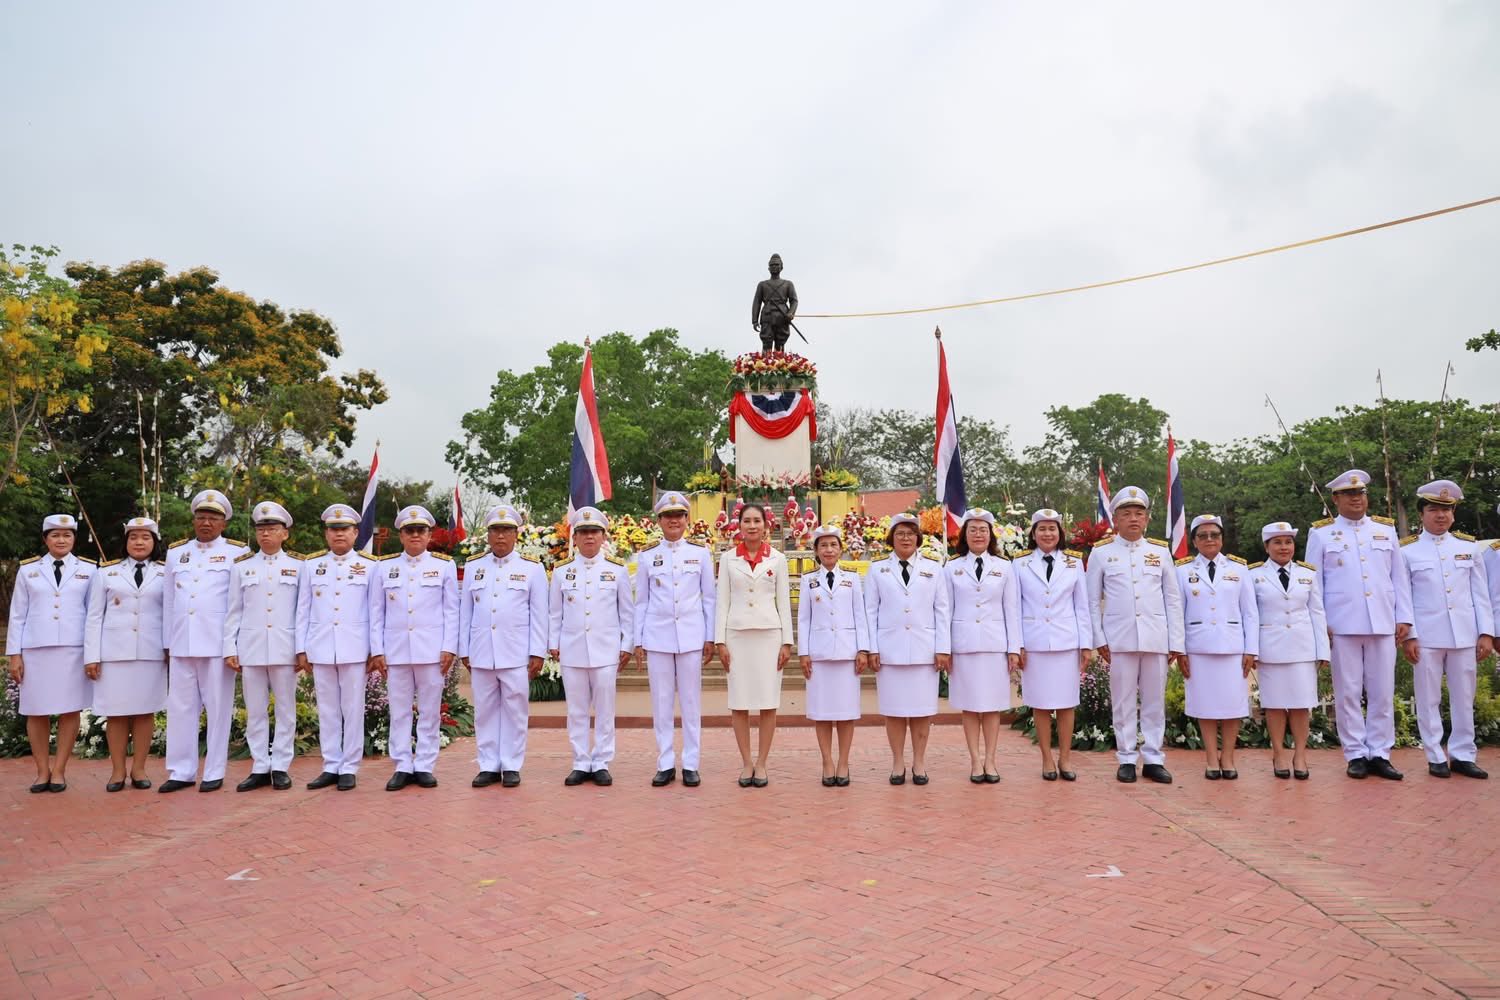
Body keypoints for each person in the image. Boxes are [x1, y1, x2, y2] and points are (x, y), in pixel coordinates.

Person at [1305, 469, 1415, 780]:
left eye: (1361, 493)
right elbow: (1315, 583)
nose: (1357, 498)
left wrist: (1403, 617)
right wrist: (1321, 622)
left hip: (1382, 620)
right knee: (1348, 691)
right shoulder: (1321, 533)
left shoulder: (1385, 530)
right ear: (1335, 499)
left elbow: (1398, 578)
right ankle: (1355, 753)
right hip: (1342, 623)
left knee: (1382, 691)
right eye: (1349, 494)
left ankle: (1380, 752)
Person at [1086, 486, 1185, 784]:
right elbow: (1091, 601)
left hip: (1156, 638)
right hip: (1119, 639)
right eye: (1126, 513)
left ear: (1147, 518)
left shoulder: (1160, 552)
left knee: (1155, 701)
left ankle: (1154, 758)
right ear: (1115, 518)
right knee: (1123, 701)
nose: (1133, 519)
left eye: (1138, 513)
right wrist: (1099, 639)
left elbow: (1173, 599)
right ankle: (1126, 757)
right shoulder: (1102, 553)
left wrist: (1175, 642)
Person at [1400, 479, 1493, 779]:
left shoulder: (1468, 548)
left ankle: (1464, 754)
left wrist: (1486, 633)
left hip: (1464, 634)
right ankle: (1435, 754)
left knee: (1464, 696)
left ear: (1453, 514)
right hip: (1426, 635)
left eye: (1447, 510)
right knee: (1428, 697)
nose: (1441, 515)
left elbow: (1481, 595)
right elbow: (1404, 597)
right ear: (1422, 514)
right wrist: (1410, 635)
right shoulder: (1408, 552)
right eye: (1434, 509)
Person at [160, 490, 246, 793]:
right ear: (194, 519)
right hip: (182, 642)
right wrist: (167, 643)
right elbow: (170, 601)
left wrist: (234, 645)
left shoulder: (238, 553)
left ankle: (214, 770)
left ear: (224, 523)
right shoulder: (176, 554)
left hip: (216, 643)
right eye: (201, 517)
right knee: (180, 708)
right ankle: (181, 770)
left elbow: (240, 604)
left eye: (213, 518)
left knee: (218, 708)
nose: (206, 522)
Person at [371, 505, 459, 791]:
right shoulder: (383, 567)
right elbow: (376, 612)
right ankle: (402, 764)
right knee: (398, 711)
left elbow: (451, 611)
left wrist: (449, 647)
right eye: (409, 531)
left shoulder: (443, 566)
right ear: (401, 535)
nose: (415, 535)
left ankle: (424, 764)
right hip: (396, 651)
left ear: (429, 534)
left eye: (420, 530)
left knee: (430, 710)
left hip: (431, 651)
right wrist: (377, 650)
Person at [6, 513, 95, 793]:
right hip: (36, 650)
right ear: (45, 539)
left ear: (74, 539)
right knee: (36, 711)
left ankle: (59, 770)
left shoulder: (89, 570)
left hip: (73, 649)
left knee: (70, 710)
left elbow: (93, 615)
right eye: (55, 535)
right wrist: (14, 655)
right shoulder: (28, 570)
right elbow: (17, 615)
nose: (61, 540)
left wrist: (92, 654)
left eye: (67, 535)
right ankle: (41, 770)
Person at [459, 504, 547, 788]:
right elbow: (466, 612)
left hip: (515, 651)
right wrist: (464, 649)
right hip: (482, 651)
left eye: (506, 530)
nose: (500, 536)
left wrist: (537, 651)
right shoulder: (474, 567)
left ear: (516, 534)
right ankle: (488, 764)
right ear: (488, 534)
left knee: (515, 710)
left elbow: (539, 614)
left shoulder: (532, 568)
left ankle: (511, 763)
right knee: (484, 710)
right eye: (495, 530)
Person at [633, 491, 716, 788]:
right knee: (662, 702)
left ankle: (691, 763)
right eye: (668, 516)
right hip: (657, 636)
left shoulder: (700, 553)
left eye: (678, 515)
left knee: (691, 703)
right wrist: (638, 640)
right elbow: (640, 601)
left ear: (686, 520)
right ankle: (665, 762)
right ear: (659, 520)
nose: (673, 521)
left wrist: (710, 637)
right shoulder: (646, 556)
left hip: (692, 636)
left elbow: (709, 598)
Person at [864, 512, 951, 785]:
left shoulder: (934, 568)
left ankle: (920, 762)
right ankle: (898, 762)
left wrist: (943, 648)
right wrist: (871, 648)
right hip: (889, 651)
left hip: (925, 650)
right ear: (891, 538)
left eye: (911, 533)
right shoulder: (877, 569)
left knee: (922, 711)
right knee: (894, 711)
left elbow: (942, 610)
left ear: (919, 538)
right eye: (900, 533)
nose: (905, 538)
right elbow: (870, 611)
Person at [297, 504, 379, 791]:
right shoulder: (311, 565)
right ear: (326, 534)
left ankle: (349, 766)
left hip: (355, 648)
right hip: (321, 647)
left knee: (352, 708)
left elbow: (375, 612)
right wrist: (301, 648)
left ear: (355, 533)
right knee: (327, 709)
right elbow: (303, 610)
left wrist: (375, 649)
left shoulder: (371, 566)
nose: (338, 534)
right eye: (333, 529)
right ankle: (330, 764)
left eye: (344, 529)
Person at [549, 507, 633, 786]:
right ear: (574, 538)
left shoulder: (616, 571)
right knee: (576, 709)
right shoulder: (562, 572)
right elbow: (554, 613)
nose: (588, 537)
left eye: (594, 532)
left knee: (605, 709)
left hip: (606, 650)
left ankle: (601, 761)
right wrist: (553, 643)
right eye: (583, 532)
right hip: (572, 649)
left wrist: (628, 644)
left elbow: (627, 613)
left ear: (603, 536)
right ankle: (580, 761)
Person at [224, 501, 302, 792]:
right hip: (251, 647)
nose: (266, 534)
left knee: (285, 709)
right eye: (261, 529)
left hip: (285, 648)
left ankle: (281, 765)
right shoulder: (242, 566)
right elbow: (233, 610)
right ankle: (259, 765)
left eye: (272, 529)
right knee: (255, 710)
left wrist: (301, 649)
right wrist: (229, 648)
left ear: (285, 533)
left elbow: (302, 612)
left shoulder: (299, 566)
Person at [714, 503, 794, 787]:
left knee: (768, 702)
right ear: (738, 525)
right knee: (739, 702)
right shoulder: (727, 560)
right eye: (746, 521)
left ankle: (762, 763)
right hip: (736, 636)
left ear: (765, 525)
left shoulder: (778, 559)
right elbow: (722, 601)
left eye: (756, 521)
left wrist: (787, 641)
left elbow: (783, 602)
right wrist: (720, 640)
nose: (751, 526)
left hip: (769, 636)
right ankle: (746, 762)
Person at [85, 516, 167, 791]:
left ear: (154, 542)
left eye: (145, 537)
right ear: (126, 541)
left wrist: (169, 650)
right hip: (114, 653)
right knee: (117, 713)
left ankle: (140, 769)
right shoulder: (106, 573)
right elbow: (94, 617)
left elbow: (171, 615)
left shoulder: (166, 573)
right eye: (133, 537)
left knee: (145, 712)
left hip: (151, 652)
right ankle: (118, 771)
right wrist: (92, 656)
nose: (139, 542)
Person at [1176, 514, 1258, 780]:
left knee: (1234, 705)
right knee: (1205, 705)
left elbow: (1250, 613)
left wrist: (1251, 649)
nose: (1209, 540)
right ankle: (1212, 757)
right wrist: (1180, 650)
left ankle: (1229, 757)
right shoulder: (1183, 570)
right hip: (1197, 647)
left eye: (1214, 535)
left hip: (1233, 647)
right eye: (1203, 535)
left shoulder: (1239, 569)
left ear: (1222, 538)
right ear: (1195, 540)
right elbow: (1177, 613)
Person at [1014, 509, 1091, 782]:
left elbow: (1082, 607)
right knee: (1041, 704)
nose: (1047, 534)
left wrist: (1086, 645)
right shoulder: (1019, 564)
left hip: (1066, 642)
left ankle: (1066, 757)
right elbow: (1014, 607)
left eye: (1052, 529)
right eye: (1042, 529)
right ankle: (1047, 757)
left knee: (1067, 703)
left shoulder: (1074, 563)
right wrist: (1017, 645)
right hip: (1034, 644)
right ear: (1033, 534)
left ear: (1060, 534)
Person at [945, 508, 1020, 784]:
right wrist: (945, 648)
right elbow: (945, 611)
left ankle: (991, 759)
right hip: (963, 645)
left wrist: (1014, 648)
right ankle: (975, 760)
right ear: (965, 534)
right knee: (969, 705)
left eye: (983, 530)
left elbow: (1011, 610)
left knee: (992, 706)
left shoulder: (1004, 567)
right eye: (973, 529)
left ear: (991, 535)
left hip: (993, 645)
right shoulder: (951, 567)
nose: (978, 534)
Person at [1249, 521, 1328, 780]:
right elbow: (1250, 615)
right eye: (1278, 542)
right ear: (1266, 546)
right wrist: (1251, 650)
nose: (1284, 547)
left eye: (1288, 542)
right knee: (1274, 705)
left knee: (1301, 704)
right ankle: (1279, 752)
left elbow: (1317, 612)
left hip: (1302, 647)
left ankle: (1301, 754)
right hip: (1270, 647)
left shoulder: (1308, 574)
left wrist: (1322, 651)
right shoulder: (1254, 575)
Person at [797, 524, 870, 786]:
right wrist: (803, 653)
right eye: (823, 545)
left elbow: (860, 617)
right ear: (816, 550)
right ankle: (827, 761)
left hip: (847, 654)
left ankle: (843, 762)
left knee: (846, 712)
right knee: (822, 712)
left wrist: (863, 649)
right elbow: (803, 619)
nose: (829, 550)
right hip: (819, 654)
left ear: (841, 549)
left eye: (833, 545)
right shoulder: (808, 580)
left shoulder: (851, 579)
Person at [750, 253, 799, 353]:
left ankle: (780, 365)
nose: (774, 267)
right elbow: (757, 302)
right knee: (766, 342)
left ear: (781, 267)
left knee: (780, 343)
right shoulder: (762, 285)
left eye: (777, 265)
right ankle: (765, 365)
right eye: (772, 265)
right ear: (768, 268)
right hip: (767, 315)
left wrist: (791, 313)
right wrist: (754, 320)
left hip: (782, 315)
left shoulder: (788, 284)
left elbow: (794, 300)